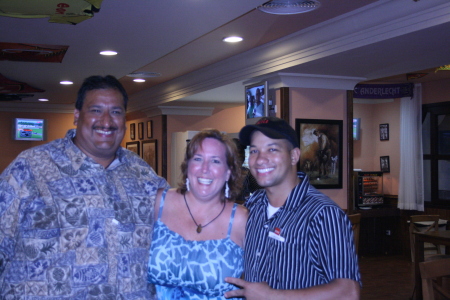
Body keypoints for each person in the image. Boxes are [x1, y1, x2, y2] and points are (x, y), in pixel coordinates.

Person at [0, 75, 169, 299]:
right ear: (77, 115)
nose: (107, 121)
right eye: (96, 110)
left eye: (116, 112)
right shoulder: (30, 168)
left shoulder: (144, 175)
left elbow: (184, 233)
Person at [224, 117, 361, 300]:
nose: (260, 159)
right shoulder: (253, 206)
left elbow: (348, 293)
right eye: (255, 150)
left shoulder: (323, 214)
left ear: (294, 156)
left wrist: (272, 296)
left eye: (272, 149)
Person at [147, 129, 248, 299]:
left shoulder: (241, 220)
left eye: (215, 161)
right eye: (198, 159)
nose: (205, 169)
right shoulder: (158, 203)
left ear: (228, 172)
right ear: (188, 166)